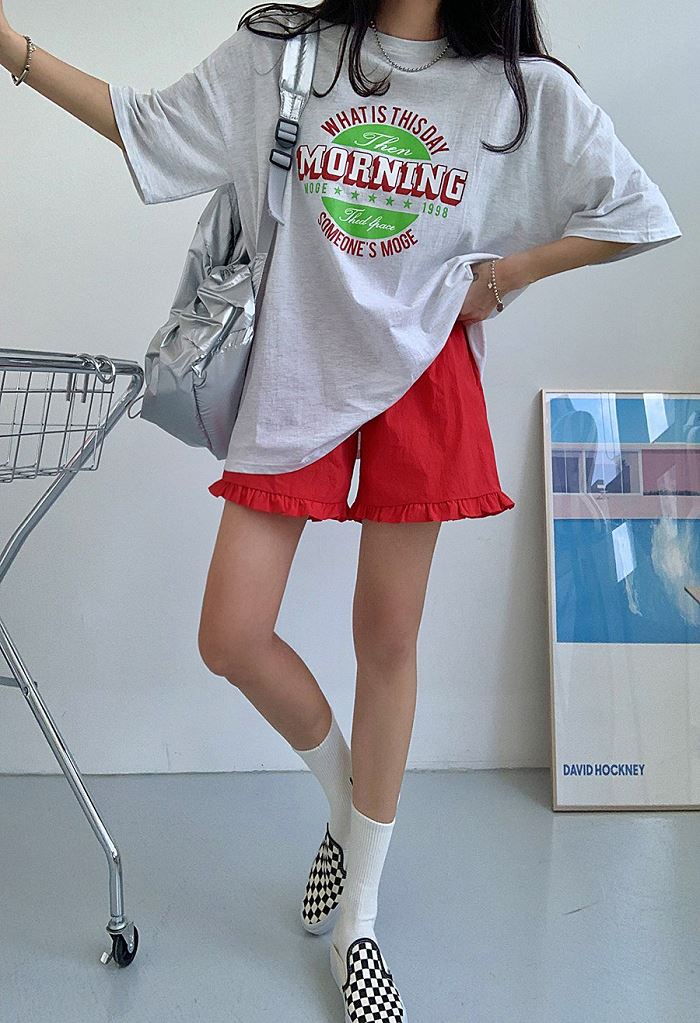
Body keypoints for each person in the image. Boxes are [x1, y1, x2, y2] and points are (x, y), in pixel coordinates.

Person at [1, 1, 682, 1019]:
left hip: (425, 374)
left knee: (386, 639)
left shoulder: (518, 92)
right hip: (298, 362)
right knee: (231, 634)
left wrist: (508, 275)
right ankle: (347, 802)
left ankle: (358, 918)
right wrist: (12, 48)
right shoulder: (288, 56)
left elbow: (636, 210)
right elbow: (143, 126)